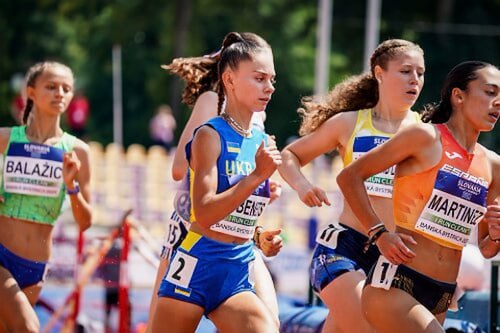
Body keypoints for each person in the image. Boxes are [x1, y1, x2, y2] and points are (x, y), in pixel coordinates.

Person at [337, 60, 500, 332]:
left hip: (443, 293)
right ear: (458, 96)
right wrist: (378, 233)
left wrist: (496, 233)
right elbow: (349, 177)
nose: (498, 102)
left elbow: (487, 248)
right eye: (490, 92)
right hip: (397, 282)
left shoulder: (493, 164)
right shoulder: (424, 137)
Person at [279, 39, 425, 332]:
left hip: (393, 256)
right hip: (344, 248)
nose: (415, 80)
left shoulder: (426, 131)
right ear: (379, 73)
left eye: (421, 73)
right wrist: (302, 184)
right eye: (406, 71)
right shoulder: (350, 123)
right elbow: (289, 155)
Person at [145, 35, 282, 333]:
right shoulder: (209, 133)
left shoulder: (261, 140)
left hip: (237, 263)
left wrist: (259, 230)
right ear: (229, 79)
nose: (269, 87)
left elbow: (238, 205)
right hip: (198, 258)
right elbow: (204, 212)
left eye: (271, 79)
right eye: (259, 79)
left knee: (271, 325)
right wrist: (256, 178)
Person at [0, 61, 92, 332]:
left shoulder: (78, 151)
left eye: (66, 88)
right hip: (1, 256)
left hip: (36, 266)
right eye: (51, 87)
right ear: (30, 92)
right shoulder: (6, 140)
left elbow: (86, 221)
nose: (59, 93)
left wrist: (71, 185)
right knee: (29, 327)